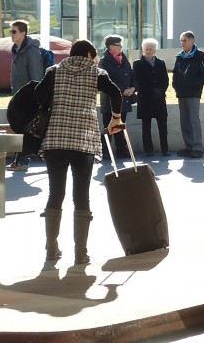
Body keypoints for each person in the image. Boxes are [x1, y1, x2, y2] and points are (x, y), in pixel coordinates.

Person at [33, 39, 124, 265]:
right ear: (89, 56)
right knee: (81, 196)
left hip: (55, 141)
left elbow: (36, 94)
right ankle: (80, 253)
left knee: (55, 193)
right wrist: (115, 118)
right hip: (82, 142)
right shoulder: (97, 73)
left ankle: (51, 249)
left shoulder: (54, 71)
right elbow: (116, 94)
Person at [8, 19, 46, 172]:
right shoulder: (16, 50)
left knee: (24, 129)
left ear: (23, 33)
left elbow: (37, 77)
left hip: (28, 99)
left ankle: (22, 160)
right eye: (11, 31)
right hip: (18, 97)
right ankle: (21, 160)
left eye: (14, 31)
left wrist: (34, 99)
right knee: (20, 128)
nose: (11, 34)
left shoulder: (32, 51)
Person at [98, 35, 137, 160]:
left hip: (124, 99)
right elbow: (106, 80)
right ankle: (105, 151)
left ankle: (122, 149)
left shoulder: (124, 58)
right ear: (111, 47)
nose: (121, 47)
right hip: (110, 100)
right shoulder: (104, 61)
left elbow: (131, 74)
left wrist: (133, 88)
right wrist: (121, 90)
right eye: (118, 45)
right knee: (108, 125)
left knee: (121, 125)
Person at [172, 31, 204, 158]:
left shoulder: (200, 56)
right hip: (181, 93)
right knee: (184, 120)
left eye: (184, 40)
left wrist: (196, 84)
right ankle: (189, 146)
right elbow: (176, 73)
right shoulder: (179, 57)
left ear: (192, 41)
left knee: (194, 120)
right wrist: (175, 86)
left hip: (194, 93)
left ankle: (197, 147)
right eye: (181, 40)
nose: (182, 43)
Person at [133, 37, 170, 156]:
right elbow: (138, 81)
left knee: (162, 125)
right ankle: (148, 150)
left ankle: (165, 149)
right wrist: (151, 91)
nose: (148, 51)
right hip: (145, 98)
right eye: (146, 49)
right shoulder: (137, 63)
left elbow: (165, 79)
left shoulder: (161, 62)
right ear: (143, 50)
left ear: (155, 50)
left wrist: (160, 90)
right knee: (146, 125)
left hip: (159, 98)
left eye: (151, 49)